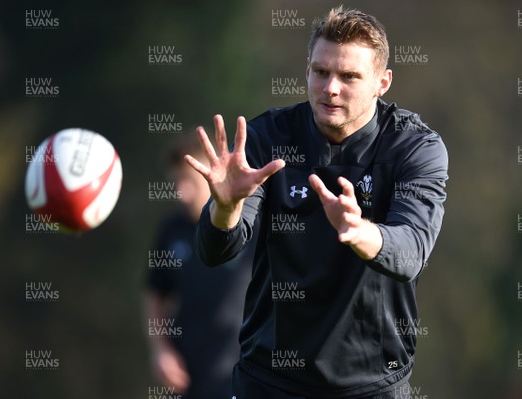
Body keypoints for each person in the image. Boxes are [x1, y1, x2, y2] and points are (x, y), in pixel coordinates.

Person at [185, 6, 448, 399]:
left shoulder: (415, 148)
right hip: (269, 381)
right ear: (307, 70)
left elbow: (411, 252)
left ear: (383, 81)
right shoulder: (266, 137)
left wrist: (362, 233)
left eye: (349, 76)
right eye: (322, 72)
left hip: (372, 386)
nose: (331, 88)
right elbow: (215, 251)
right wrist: (224, 208)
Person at [144, 134, 253, 399]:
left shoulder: (249, 224)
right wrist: (161, 350)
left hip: (246, 375)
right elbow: (156, 293)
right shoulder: (171, 229)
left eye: (190, 181)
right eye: (176, 182)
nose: (182, 192)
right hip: (189, 379)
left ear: (214, 175)